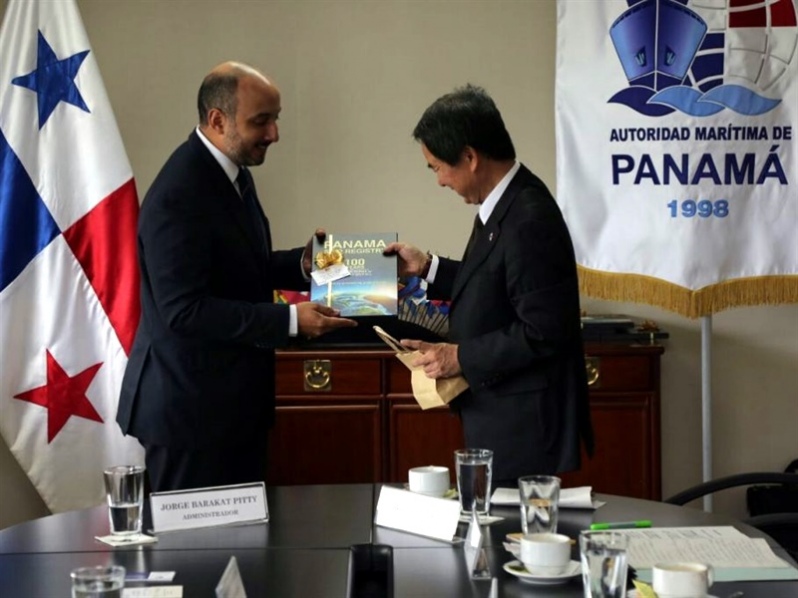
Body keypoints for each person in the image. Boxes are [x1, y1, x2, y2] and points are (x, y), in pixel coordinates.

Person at [117, 62, 356, 492]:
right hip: (189, 418)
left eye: (275, 118)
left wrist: (302, 266)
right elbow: (183, 311)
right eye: (261, 121)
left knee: (242, 537)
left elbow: (238, 267)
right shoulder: (180, 193)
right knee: (197, 539)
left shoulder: (232, 172)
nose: (274, 134)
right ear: (217, 120)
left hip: (228, 411)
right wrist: (290, 320)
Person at [385, 84, 593, 487]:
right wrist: (426, 267)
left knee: (508, 525)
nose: (439, 181)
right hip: (502, 414)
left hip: (524, 426)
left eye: (437, 168)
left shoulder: (528, 217)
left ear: (469, 157)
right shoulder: (505, 205)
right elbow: (493, 283)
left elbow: (545, 330)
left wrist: (459, 356)